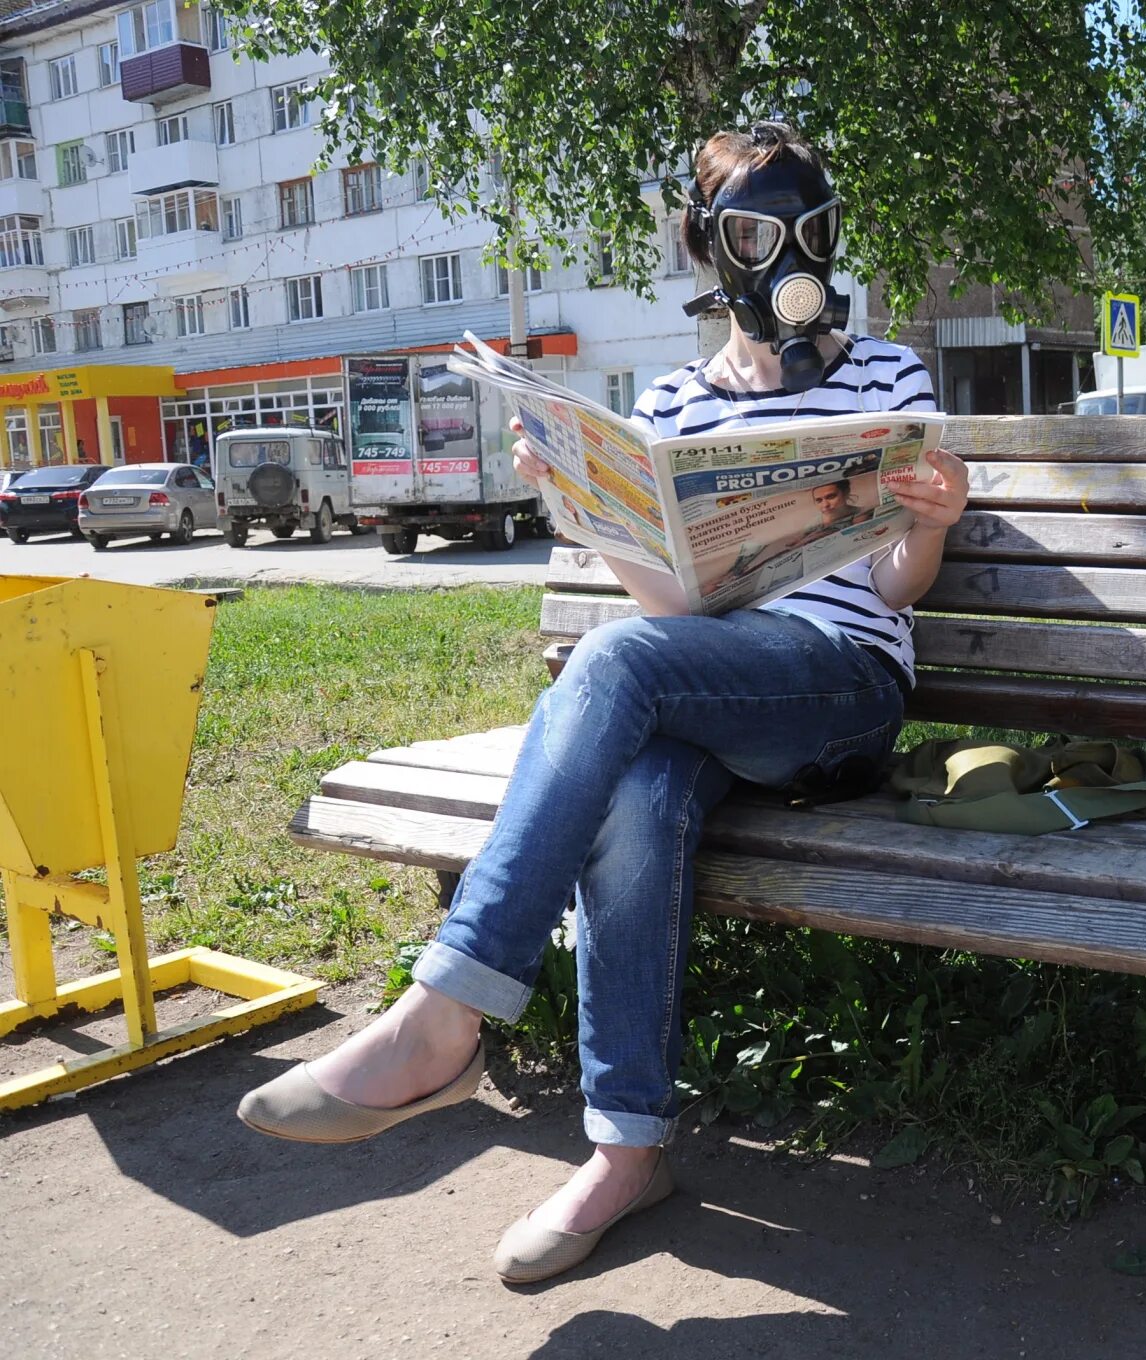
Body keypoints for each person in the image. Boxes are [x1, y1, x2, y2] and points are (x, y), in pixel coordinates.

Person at [236, 121, 968, 1284]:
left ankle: (446, 1014)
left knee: (618, 663)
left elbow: (892, 590)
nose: (789, 257)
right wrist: (587, 510)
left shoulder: (883, 371)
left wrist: (925, 521)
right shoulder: (673, 401)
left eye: (810, 230)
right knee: (640, 783)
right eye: (755, 233)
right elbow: (678, 598)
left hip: (838, 689)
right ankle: (625, 1152)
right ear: (710, 250)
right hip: (714, 683)